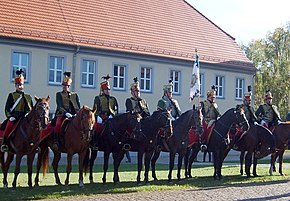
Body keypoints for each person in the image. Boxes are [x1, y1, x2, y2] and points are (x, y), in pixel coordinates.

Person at [1, 69, 33, 152]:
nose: (20, 86)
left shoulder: (28, 97)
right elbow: (7, 108)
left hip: (23, 117)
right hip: (14, 116)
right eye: (18, 85)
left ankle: (34, 144)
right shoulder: (11, 95)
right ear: (15, 86)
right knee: (9, 126)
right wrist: (10, 116)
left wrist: (27, 113)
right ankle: (4, 143)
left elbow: (30, 109)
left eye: (21, 85)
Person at [52, 71, 81, 149]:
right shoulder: (59, 94)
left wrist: (77, 114)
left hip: (73, 114)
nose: (65, 87)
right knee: (58, 124)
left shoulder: (74, 95)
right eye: (64, 85)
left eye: (67, 86)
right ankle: (56, 141)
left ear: (69, 86)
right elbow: (59, 105)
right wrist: (66, 113)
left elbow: (78, 106)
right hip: (62, 114)